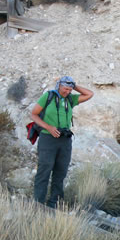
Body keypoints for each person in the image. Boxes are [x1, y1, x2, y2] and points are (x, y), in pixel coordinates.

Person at [30, 75, 94, 207]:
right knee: (44, 170)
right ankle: (38, 204)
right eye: (65, 89)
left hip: (65, 140)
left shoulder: (70, 99)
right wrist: (49, 127)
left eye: (70, 90)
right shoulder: (48, 96)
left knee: (61, 172)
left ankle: (54, 203)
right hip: (48, 138)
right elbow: (34, 114)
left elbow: (89, 94)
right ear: (59, 85)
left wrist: (74, 85)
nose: (67, 92)